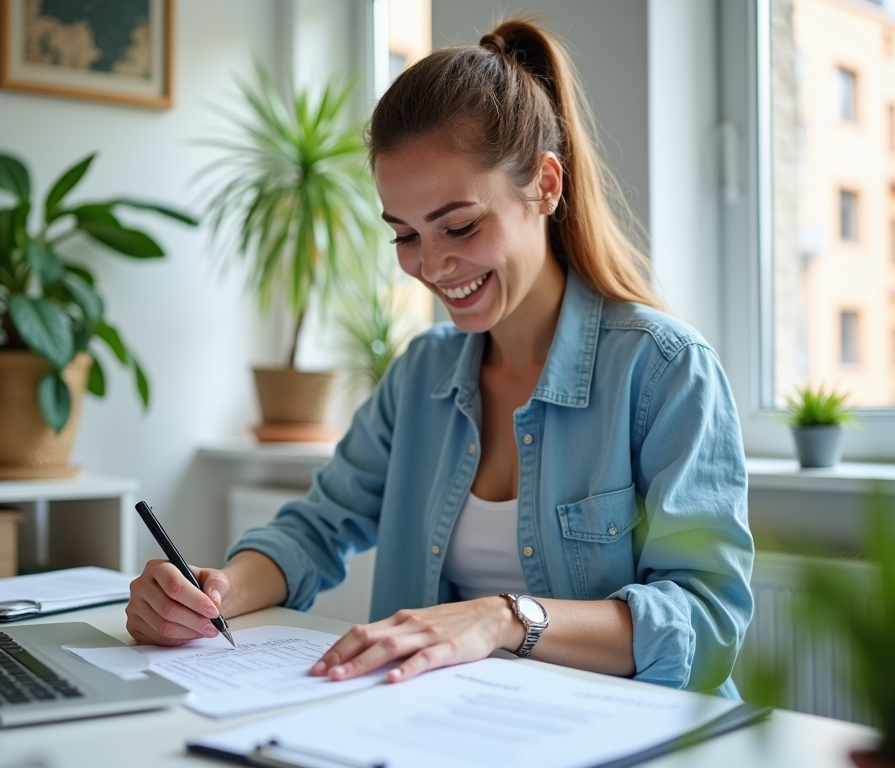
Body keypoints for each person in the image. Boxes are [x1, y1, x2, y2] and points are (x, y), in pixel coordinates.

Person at [126, 18, 754, 698]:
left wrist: (504, 619)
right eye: (404, 235)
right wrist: (212, 594)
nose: (431, 265)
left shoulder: (664, 370)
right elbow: (316, 528)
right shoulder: (422, 374)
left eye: (459, 226)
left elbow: (708, 621)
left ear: (545, 185)